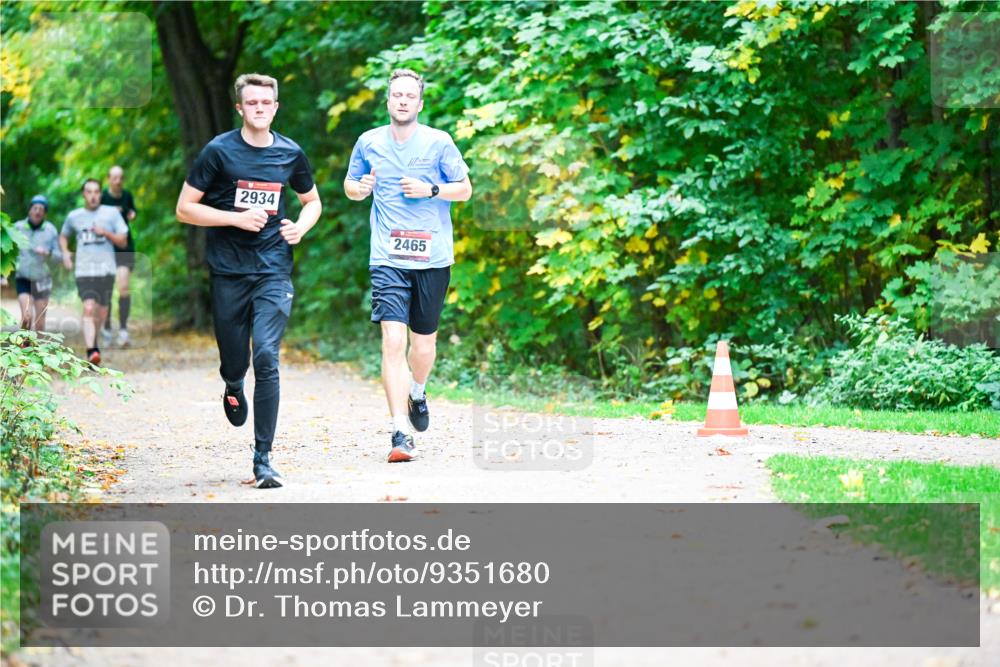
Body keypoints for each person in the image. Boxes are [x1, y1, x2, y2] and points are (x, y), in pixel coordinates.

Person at [175, 73, 322, 489]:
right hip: (228, 270)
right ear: (240, 108)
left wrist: (301, 227)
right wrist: (234, 218)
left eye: (266, 103)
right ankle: (232, 381)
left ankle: (264, 458)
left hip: (274, 267)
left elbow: (311, 202)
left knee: (268, 357)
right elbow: (185, 209)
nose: (260, 108)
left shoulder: (291, 153)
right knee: (236, 359)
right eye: (252, 103)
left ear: (276, 107)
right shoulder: (218, 152)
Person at [344, 69, 472, 463]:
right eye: (396, 94)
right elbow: (349, 187)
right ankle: (400, 432)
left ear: (419, 103)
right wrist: (360, 188)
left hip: (432, 258)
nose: (402, 101)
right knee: (393, 341)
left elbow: (465, 189)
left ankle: (418, 390)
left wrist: (431, 189)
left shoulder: (439, 142)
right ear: (388, 101)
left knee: (423, 346)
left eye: (409, 96)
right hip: (388, 257)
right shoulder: (369, 142)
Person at [59, 179, 129, 365]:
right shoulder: (74, 216)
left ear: (101, 193)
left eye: (97, 192)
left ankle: (94, 341)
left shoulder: (111, 214)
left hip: (106, 269)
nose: (93, 195)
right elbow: (64, 235)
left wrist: (106, 233)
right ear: (84, 194)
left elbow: (123, 241)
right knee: (89, 307)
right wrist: (65, 253)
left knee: (102, 312)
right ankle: (92, 350)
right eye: (89, 192)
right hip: (84, 270)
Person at [101, 165, 138, 347]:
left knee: (123, 288)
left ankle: (123, 330)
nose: (118, 181)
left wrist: (132, 214)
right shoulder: (102, 197)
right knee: (106, 290)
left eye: (121, 178)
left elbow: (133, 211)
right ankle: (107, 328)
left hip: (124, 246)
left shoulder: (127, 195)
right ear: (108, 178)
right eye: (114, 178)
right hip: (106, 247)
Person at [13, 195, 62, 333]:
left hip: (43, 279)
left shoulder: (50, 230)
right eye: (35, 208)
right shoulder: (17, 227)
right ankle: (24, 351)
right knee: (26, 317)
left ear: (45, 213)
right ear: (30, 210)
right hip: (23, 277)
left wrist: (48, 253)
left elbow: (59, 257)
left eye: (41, 209)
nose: (38, 211)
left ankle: (39, 353)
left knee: (40, 323)